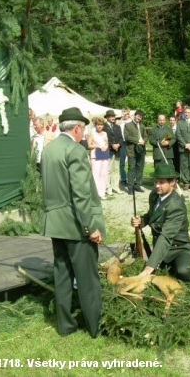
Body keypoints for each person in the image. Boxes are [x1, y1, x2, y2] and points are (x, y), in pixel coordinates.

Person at [41, 107, 105, 339]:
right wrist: (91, 227)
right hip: (76, 225)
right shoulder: (75, 150)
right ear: (77, 128)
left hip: (56, 223)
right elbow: (81, 195)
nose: (83, 134)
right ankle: (94, 325)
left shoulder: (48, 150)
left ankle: (65, 325)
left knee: (63, 275)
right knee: (87, 278)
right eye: (83, 130)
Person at [130, 163, 190, 287]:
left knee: (182, 271)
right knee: (162, 274)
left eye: (161, 182)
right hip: (162, 248)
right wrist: (141, 221)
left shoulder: (176, 206)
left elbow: (166, 236)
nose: (157, 186)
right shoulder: (154, 195)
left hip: (179, 249)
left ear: (173, 182)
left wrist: (150, 266)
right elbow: (153, 215)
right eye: (155, 182)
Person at [124, 109, 148, 194]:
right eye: (138, 116)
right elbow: (127, 137)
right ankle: (130, 187)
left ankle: (138, 185)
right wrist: (138, 140)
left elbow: (146, 136)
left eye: (140, 116)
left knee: (140, 168)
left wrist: (144, 141)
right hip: (131, 151)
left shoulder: (142, 126)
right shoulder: (128, 125)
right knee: (131, 169)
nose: (139, 117)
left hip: (141, 151)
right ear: (134, 116)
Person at [103, 110, 124, 196]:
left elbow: (121, 138)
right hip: (109, 151)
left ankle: (115, 186)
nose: (113, 118)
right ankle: (108, 187)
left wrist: (118, 144)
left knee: (116, 169)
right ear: (107, 117)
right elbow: (104, 139)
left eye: (114, 116)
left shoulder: (117, 127)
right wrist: (112, 145)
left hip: (117, 151)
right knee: (108, 170)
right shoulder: (104, 127)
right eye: (111, 116)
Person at [87, 117, 110, 199]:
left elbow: (107, 143)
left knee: (103, 174)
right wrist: (97, 146)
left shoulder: (105, 133)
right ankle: (95, 193)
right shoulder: (92, 134)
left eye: (101, 125)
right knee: (96, 174)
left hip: (104, 155)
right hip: (95, 155)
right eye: (98, 125)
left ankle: (102, 192)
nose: (99, 127)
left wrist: (105, 146)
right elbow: (88, 145)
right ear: (95, 125)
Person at [119, 107, 132, 188]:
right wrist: (121, 117)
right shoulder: (120, 122)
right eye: (124, 112)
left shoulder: (131, 121)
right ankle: (123, 179)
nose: (125, 114)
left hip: (130, 143)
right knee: (122, 162)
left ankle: (130, 179)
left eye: (127, 113)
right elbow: (117, 126)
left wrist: (129, 116)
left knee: (131, 162)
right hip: (122, 143)